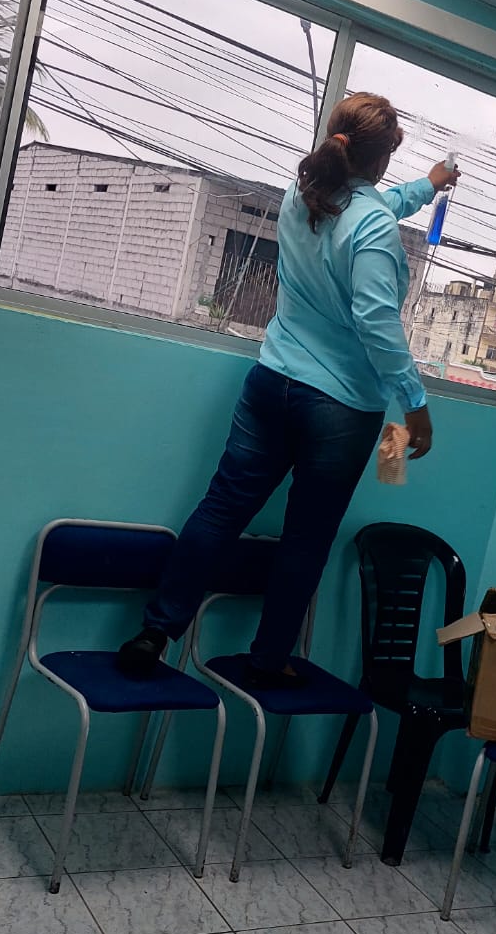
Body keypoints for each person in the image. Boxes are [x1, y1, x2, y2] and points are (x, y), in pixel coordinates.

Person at [117, 91, 459, 683]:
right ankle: (269, 660)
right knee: (306, 538)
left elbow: (372, 205)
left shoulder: (302, 197)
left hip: (271, 383)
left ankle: (155, 631)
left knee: (221, 508)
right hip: (341, 408)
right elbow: (377, 322)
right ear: (380, 159)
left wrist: (427, 187)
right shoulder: (372, 226)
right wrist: (416, 404)